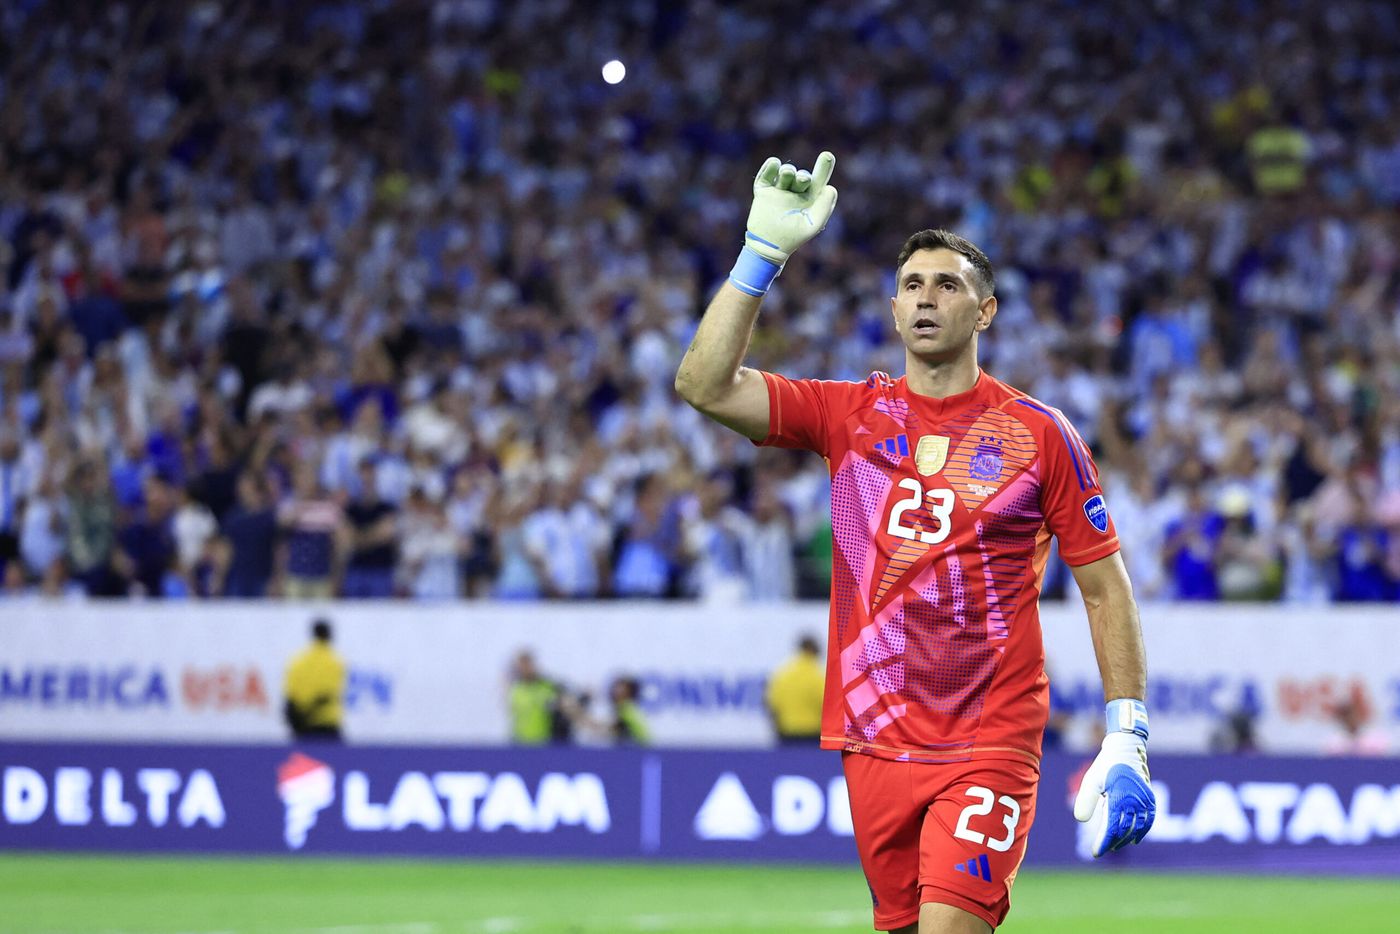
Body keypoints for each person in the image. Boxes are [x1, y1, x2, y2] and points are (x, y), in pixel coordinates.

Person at [675, 153, 1155, 933]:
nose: (926, 299)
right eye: (912, 287)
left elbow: (1106, 587)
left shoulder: (1039, 436)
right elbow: (703, 385)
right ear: (894, 313)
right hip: (872, 738)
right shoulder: (848, 415)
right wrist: (760, 256)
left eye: (948, 285)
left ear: (986, 312)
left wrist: (1127, 733)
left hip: (988, 738)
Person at [283, 618, 348, 741]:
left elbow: (291, 694)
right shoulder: (334, 661)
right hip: (327, 722)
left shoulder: (298, 661)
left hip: (302, 724)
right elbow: (330, 693)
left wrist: (301, 715)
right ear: (329, 635)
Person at [766, 634, 825, 746]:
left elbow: (772, 704)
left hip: (787, 732)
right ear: (815, 651)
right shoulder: (818, 675)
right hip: (812, 733)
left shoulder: (783, 674)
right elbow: (826, 705)